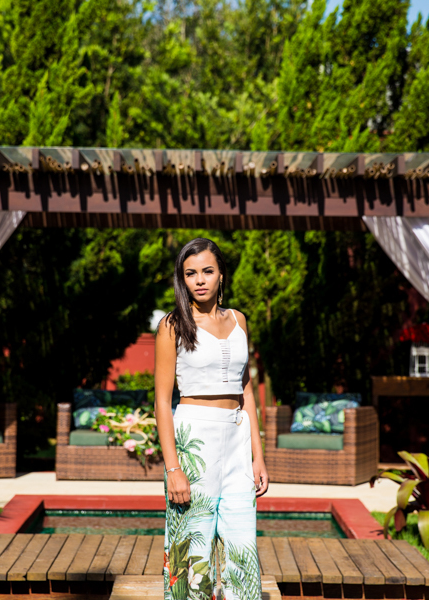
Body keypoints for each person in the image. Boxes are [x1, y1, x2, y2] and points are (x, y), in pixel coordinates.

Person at [155, 237, 268, 600]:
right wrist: (173, 467)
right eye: (190, 273)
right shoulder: (172, 326)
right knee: (192, 542)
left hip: (237, 440)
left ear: (221, 275)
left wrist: (258, 455)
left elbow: (246, 389)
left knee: (241, 540)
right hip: (195, 440)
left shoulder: (239, 321)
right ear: (182, 279)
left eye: (207, 271)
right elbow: (161, 399)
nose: (199, 280)